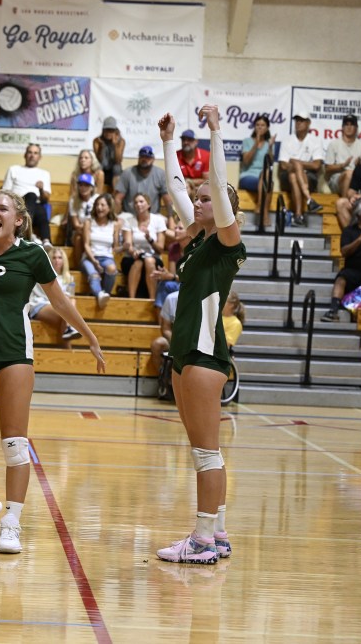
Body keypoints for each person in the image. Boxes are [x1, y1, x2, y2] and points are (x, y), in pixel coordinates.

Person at [0, 189, 105, 554]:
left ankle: (11, 522)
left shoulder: (32, 253)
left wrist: (89, 336)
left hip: (13, 356)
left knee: (14, 445)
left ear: (18, 220)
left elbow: (58, 299)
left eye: (2, 209)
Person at [156, 105, 246, 565]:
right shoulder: (196, 244)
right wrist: (168, 141)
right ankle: (220, 531)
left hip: (207, 354)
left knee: (207, 453)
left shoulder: (227, 245)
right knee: (200, 449)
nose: (199, 200)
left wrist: (215, 130)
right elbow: (177, 191)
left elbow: (217, 191)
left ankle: (203, 540)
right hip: (186, 351)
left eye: (207, 197)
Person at [29, 246, 83, 346]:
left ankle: (67, 348)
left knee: (68, 312)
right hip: (39, 304)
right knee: (68, 315)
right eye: (54, 258)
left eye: (59, 257)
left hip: (60, 307)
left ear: (64, 261)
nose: (57, 260)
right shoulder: (42, 274)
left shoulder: (69, 278)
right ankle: (70, 330)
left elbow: (70, 298)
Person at [277, 111, 325, 226]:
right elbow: (283, 165)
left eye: (302, 120)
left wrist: (295, 162)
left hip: (309, 177)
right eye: (297, 120)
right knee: (293, 172)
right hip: (286, 177)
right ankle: (309, 200)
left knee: (294, 174)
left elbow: (317, 165)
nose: (298, 123)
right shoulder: (287, 140)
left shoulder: (315, 140)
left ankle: (298, 216)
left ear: (308, 123)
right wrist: (299, 166)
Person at [2, 144, 52, 245]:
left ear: (39, 157)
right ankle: (27, 232)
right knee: (31, 195)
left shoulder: (44, 174)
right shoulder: (14, 169)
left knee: (41, 209)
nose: (32, 155)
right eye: (30, 152)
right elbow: (5, 193)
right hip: (16, 205)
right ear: (25, 155)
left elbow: (46, 199)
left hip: (36, 206)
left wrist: (41, 189)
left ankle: (46, 242)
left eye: (35, 153)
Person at [121, 194, 168, 299]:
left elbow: (160, 249)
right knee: (139, 261)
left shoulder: (158, 220)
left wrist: (149, 239)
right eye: (136, 202)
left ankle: (152, 299)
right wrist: (133, 252)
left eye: (141, 201)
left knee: (149, 261)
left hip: (154, 257)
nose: (138, 204)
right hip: (132, 257)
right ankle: (132, 299)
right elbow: (128, 244)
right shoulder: (129, 221)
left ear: (148, 205)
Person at [80, 193, 121, 309]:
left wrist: (124, 247)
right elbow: (86, 244)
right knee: (94, 275)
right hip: (89, 257)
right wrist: (94, 261)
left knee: (112, 268)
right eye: (97, 205)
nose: (99, 208)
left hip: (107, 257)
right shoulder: (89, 222)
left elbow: (115, 247)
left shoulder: (114, 224)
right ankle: (100, 295)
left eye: (103, 205)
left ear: (109, 207)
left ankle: (104, 294)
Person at [239, 115, 274, 226]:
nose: (259, 127)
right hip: (248, 176)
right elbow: (246, 161)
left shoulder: (269, 144)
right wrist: (256, 144)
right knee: (267, 183)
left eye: (262, 125)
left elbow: (270, 163)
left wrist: (270, 147)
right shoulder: (247, 141)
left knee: (267, 176)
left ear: (267, 128)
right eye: (257, 125)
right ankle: (264, 214)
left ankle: (260, 207)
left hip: (263, 176)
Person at [116, 145, 168, 216]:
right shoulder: (127, 173)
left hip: (153, 216)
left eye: (147, 157)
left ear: (153, 159)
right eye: (142, 157)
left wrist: (170, 217)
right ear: (139, 158)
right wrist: (116, 216)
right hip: (130, 215)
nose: (144, 159)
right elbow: (118, 199)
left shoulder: (161, 174)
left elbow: (167, 199)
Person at [323, 114, 361, 197]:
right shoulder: (334, 144)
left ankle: (345, 205)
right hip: (337, 179)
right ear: (342, 128)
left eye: (352, 125)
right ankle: (344, 202)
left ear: (356, 128)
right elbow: (327, 168)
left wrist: (360, 165)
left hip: (356, 179)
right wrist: (342, 166)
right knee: (349, 173)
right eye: (346, 125)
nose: (349, 127)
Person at [66, 172, 98, 262]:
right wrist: (86, 229)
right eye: (80, 185)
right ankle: (79, 266)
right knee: (78, 238)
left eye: (86, 185)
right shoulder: (73, 201)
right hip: (80, 230)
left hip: (95, 229)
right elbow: (76, 224)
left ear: (92, 187)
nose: (83, 188)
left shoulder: (97, 199)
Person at [93, 116, 125, 193]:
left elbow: (118, 160)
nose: (108, 133)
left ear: (115, 131)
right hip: (102, 169)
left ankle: (115, 197)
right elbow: (99, 160)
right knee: (98, 167)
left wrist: (115, 145)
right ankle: (97, 196)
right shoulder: (97, 141)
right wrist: (101, 147)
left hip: (114, 172)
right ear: (103, 130)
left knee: (117, 167)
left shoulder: (121, 141)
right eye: (106, 130)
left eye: (111, 131)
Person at [177, 129, 210, 193]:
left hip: (201, 190)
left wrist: (189, 182)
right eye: (183, 139)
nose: (186, 142)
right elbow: (174, 179)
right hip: (181, 190)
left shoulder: (206, 155)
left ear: (196, 142)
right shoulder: (175, 156)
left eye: (189, 140)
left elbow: (207, 180)